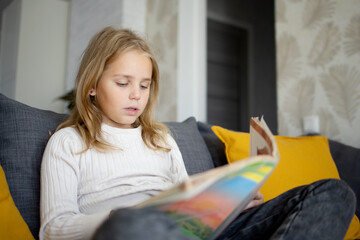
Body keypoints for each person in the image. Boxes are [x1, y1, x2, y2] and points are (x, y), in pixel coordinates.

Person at [40, 26, 356, 240]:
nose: (136, 94)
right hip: (138, 229)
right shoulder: (67, 142)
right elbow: (53, 229)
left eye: (144, 85)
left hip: (200, 232)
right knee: (131, 224)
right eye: (123, 83)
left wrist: (232, 202)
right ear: (92, 85)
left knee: (334, 192)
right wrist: (123, 214)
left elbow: (189, 201)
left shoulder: (161, 139)